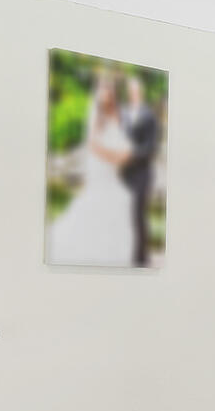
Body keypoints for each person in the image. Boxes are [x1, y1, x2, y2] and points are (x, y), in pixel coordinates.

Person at [46, 70, 135, 267]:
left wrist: (124, 156)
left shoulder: (120, 117)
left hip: (114, 177)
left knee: (121, 203)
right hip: (101, 174)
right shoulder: (96, 118)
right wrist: (118, 156)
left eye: (109, 90)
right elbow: (94, 147)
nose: (107, 93)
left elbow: (126, 148)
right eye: (103, 89)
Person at [118, 74, 161, 267]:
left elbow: (151, 147)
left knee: (138, 214)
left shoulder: (149, 117)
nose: (133, 94)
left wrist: (131, 154)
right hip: (123, 172)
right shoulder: (123, 114)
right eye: (130, 91)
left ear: (140, 93)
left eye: (136, 91)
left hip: (142, 172)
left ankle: (140, 259)